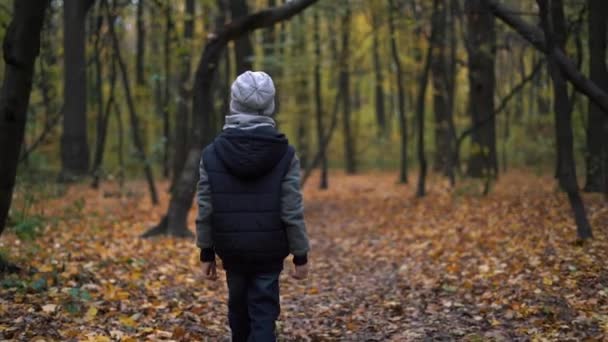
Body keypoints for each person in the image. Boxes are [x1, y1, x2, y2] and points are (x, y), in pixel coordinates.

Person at [195, 71, 310, 342]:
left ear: (234, 103)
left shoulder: (212, 153)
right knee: (263, 312)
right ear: (270, 105)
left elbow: (205, 207)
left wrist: (206, 252)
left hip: (231, 249)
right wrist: (300, 255)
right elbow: (291, 208)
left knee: (238, 307)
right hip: (269, 250)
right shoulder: (285, 154)